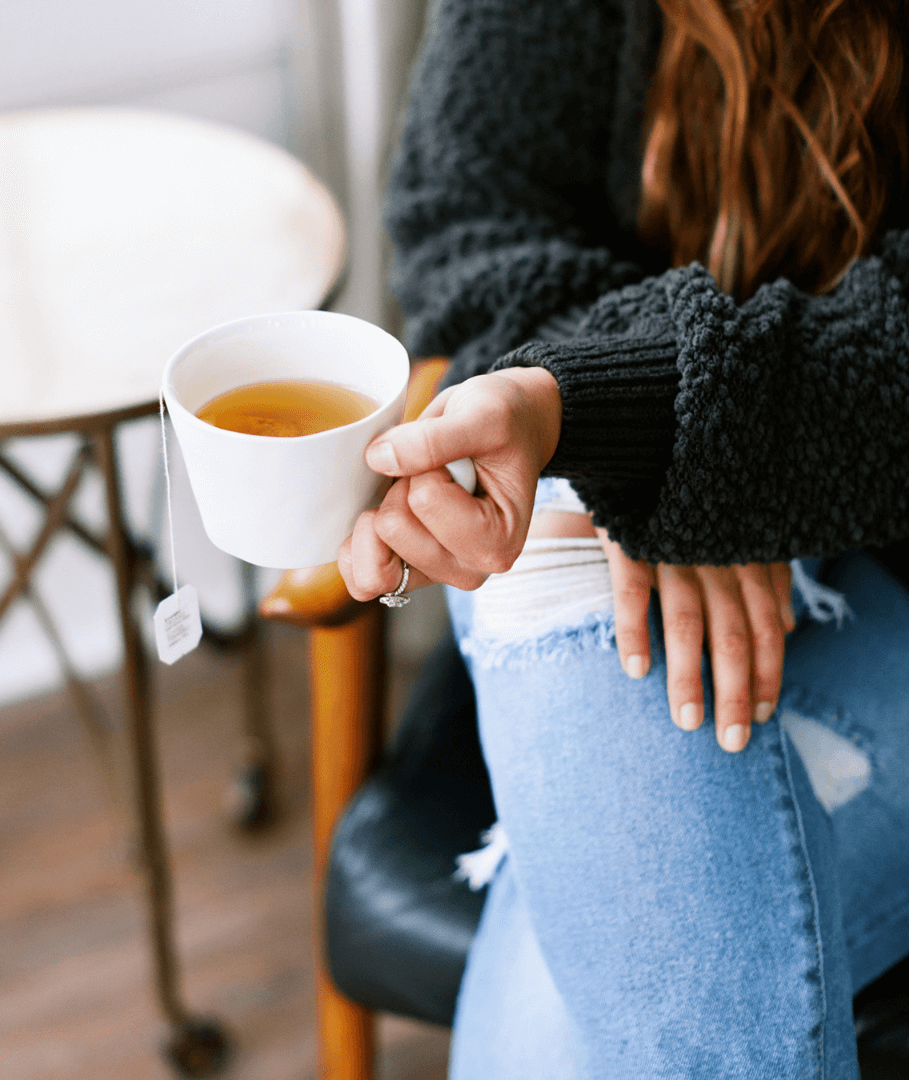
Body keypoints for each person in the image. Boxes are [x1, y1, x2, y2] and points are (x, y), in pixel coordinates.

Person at [337, 0, 909, 1076]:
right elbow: (471, 222)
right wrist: (642, 428)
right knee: (556, 566)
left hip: (890, 569)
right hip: (591, 482)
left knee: (581, 1019)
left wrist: (683, 429)